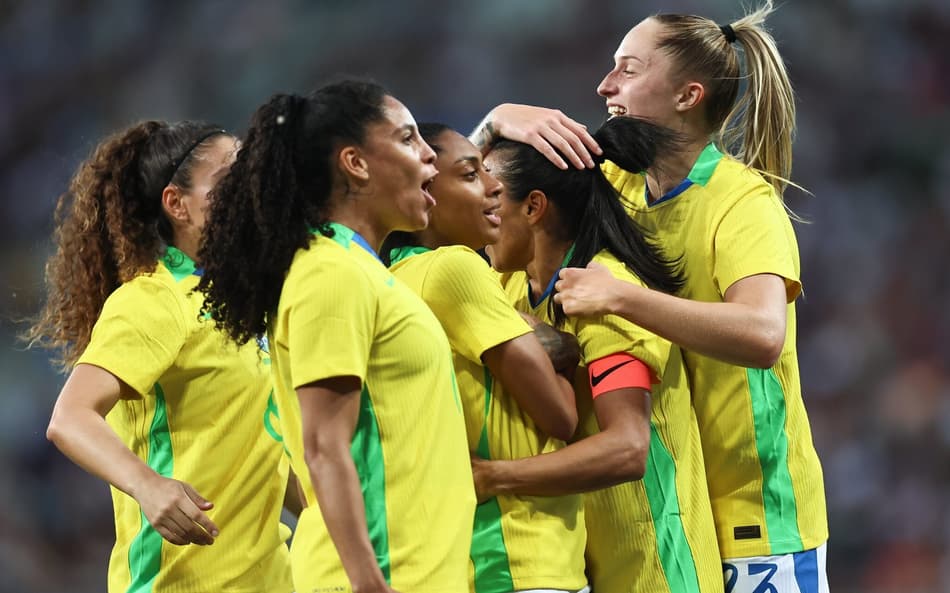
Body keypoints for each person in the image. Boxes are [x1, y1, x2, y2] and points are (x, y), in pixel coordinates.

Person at [471, 2, 830, 591]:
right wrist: (494, 123)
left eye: (628, 70)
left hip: (757, 510)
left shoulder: (742, 203)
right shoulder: (614, 184)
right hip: (670, 503)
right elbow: (463, 205)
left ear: (687, 96)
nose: (605, 84)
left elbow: (764, 336)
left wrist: (621, 300)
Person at [196, 80, 475, 593]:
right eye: (409, 139)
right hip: (379, 577)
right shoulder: (330, 274)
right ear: (356, 163)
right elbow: (325, 446)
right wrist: (369, 583)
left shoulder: (359, 271)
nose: (430, 154)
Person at [28, 121, 293, 592]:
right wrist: (147, 484)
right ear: (177, 204)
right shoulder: (155, 299)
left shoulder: (247, 308)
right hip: (178, 582)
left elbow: (264, 451)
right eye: (231, 178)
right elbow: (70, 418)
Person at [473, 115, 723, 593]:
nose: (481, 214)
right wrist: (491, 125)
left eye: (492, 200)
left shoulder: (606, 295)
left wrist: (492, 477)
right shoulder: (507, 285)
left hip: (655, 571)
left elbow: (627, 447)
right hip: (589, 566)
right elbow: (423, 219)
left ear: (534, 208)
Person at [382, 124, 585, 593]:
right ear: (426, 193)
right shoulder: (455, 270)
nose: (495, 187)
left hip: (468, 555)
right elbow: (561, 417)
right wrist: (564, 348)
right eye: (472, 174)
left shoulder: (395, 278)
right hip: (518, 555)